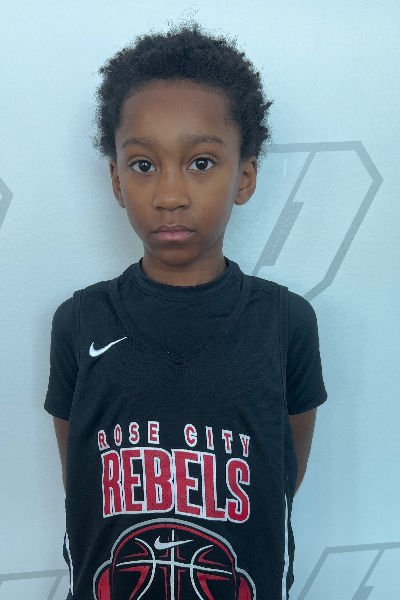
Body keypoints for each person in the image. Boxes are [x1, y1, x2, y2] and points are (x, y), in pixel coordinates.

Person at [44, 22, 327, 600]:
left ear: (244, 177)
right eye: (143, 165)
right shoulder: (78, 323)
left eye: (200, 162)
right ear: (116, 180)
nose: (170, 195)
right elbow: (81, 478)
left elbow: (283, 475)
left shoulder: (287, 323)